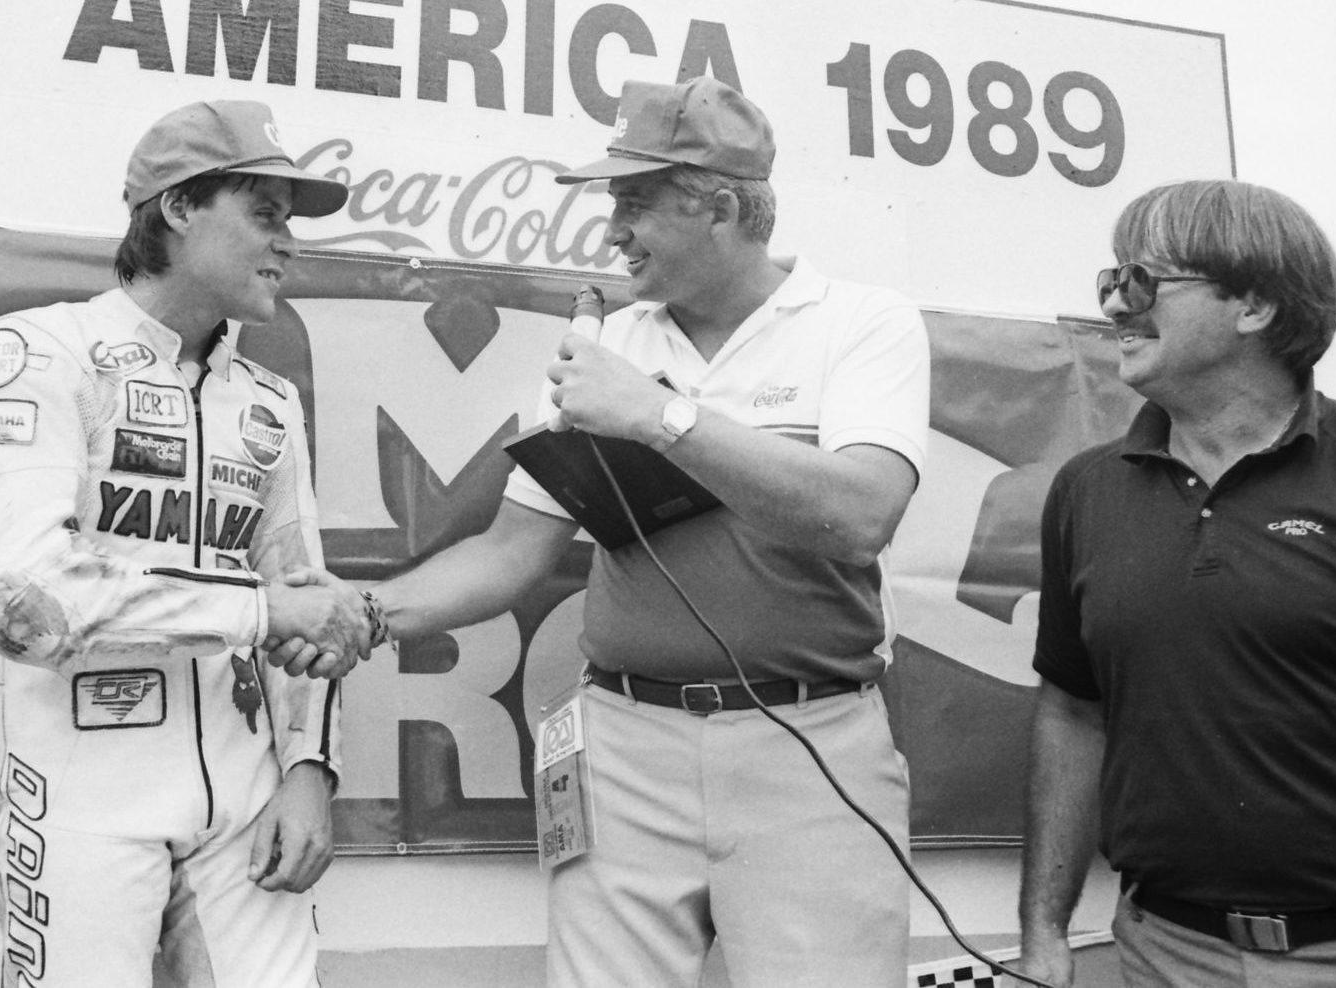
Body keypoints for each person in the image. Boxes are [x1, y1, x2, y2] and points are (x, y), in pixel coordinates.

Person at [279, 76, 930, 987]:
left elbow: (861, 515)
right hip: (622, 744)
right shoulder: (606, 346)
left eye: (635, 201)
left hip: (810, 743)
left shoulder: (861, 322)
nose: (612, 228)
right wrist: (367, 614)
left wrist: (659, 418)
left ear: (720, 207)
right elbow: (513, 554)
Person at [0, 99, 373, 987]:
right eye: (265, 213)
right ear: (179, 208)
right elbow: (23, 599)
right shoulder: (37, 351)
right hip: (75, 789)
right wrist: (262, 611)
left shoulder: (268, 399)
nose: (288, 242)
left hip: (246, 788)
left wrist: (308, 770)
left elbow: (308, 600)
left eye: (289, 220)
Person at [1015, 179, 1336, 987]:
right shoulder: (1086, 491)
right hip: (1165, 955)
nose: (1113, 307)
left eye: (1138, 282)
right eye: (1111, 282)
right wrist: (1044, 933)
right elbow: (1071, 711)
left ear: (1254, 307)